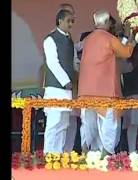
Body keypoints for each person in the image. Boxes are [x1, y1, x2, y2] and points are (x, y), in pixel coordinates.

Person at [78, 10, 134, 155]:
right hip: (105, 91)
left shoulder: (87, 40)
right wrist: (128, 37)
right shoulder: (109, 38)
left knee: (88, 123)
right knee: (109, 123)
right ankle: (107, 155)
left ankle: (85, 149)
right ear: (107, 22)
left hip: (86, 90)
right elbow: (126, 52)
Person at [42, 9, 76, 153]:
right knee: (54, 123)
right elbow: (52, 63)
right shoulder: (50, 39)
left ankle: (59, 155)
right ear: (60, 21)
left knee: (64, 124)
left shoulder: (70, 40)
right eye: (68, 20)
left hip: (66, 90)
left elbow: (74, 62)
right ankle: (48, 155)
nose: (70, 24)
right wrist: (66, 81)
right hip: (55, 88)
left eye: (72, 21)